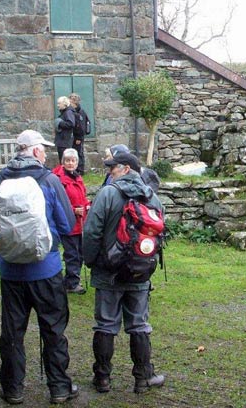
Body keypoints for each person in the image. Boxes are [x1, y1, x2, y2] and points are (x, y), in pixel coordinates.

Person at [0, 130, 79, 405]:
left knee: (12, 331)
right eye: (43, 148)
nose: (46, 153)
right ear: (36, 151)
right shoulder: (49, 180)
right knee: (53, 328)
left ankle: (13, 388)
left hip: (10, 271)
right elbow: (66, 225)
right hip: (46, 270)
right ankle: (59, 388)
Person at [83, 152, 165, 395]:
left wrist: (90, 261)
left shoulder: (108, 194)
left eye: (113, 168)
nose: (110, 172)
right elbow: (160, 234)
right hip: (140, 272)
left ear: (127, 169)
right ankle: (143, 378)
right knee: (139, 324)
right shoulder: (152, 197)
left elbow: (91, 232)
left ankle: (102, 379)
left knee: (106, 324)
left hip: (108, 272)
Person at [52, 148, 91, 295]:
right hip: (68, 222)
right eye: (67, 160)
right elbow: (59, 202)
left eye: (73, 160)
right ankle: (72, 283)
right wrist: (74, 210)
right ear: (63, 162)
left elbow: (82, 197)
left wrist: (87, 205)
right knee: (72, 254)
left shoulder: (77, 177)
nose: (70, 163)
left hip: (80, 222)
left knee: (79, 253)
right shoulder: (58, 179)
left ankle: (71, 280)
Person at [69, 93, 90, 175]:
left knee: (79, 153)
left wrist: (79, 138)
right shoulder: (74, 111)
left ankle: (80, 170)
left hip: (78, 137)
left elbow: (81, 127)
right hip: (74, 136)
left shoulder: (80, 112)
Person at [55, 96, 76, 162]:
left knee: (64, 161)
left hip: (65, 141)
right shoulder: (65, 112)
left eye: (59, 103)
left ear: (64, 103)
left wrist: (60, 123)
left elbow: (71, 124)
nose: (57, 105)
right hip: (63, 140)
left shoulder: (68, 112)